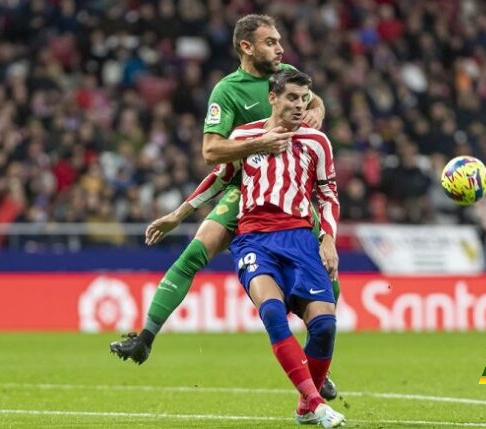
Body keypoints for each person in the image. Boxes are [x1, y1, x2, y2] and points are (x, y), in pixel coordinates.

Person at [109, 14, 340, 400]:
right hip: (240, 187)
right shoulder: (227, 91)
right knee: (193, 254)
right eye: (270, 42)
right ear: (246, 47)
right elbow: (212, 151)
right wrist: (258, 145)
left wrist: (318, 111)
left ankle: (320, 364)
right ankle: (145, 337)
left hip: (289, 194)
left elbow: (312, 100)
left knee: (327, 265)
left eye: (280, 41)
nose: (280, 49)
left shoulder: (287, 73)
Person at [186, 69, 344, 427]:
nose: (299, 106)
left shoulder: (317, 142)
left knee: (324, 327)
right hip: (255, 238)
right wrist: (180, 212)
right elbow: (219, 178)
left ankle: (305, 407)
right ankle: (318, 404)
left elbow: (328, 195)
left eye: (304, 99)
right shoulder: (245, 136)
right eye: (291, 97)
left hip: (301, 239)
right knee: (272, 313)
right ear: (272, 98)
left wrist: (328, 238)